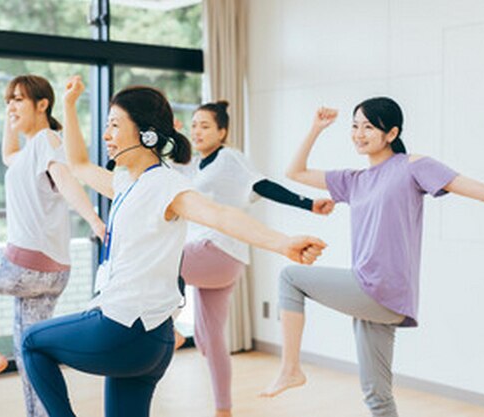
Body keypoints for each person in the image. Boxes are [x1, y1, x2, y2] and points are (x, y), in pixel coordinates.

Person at [20, 76, 327, 417]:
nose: (106, 136)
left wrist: (283, 242)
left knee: (32, 342)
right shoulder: (125, 183)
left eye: (114, 126)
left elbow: (220, 215)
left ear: (146, 134)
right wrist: (70, 104)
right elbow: (77, 164)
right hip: (154, 341)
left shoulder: (165, 185)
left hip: (123, 327)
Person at [261, 97, 484, 417]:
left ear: (391, 133)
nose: (359, 133)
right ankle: (292, 371)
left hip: (381, 287)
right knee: (377, 395)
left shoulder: (414, 166)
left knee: (290, 278)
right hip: (371, 292)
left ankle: (290, 369)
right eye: (355, 126)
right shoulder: (354, 180)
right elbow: (295, 172)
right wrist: (316, 128)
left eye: (369, 126)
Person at [0, 75, 105, 417]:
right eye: (7, 101)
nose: (11, 106)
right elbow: (7, 153)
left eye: (18, 99)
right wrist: (11, 116)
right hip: (52, 274)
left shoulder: (47, 140)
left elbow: (67, 181)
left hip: (25, 267)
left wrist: (94, 220)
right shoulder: (31, 150)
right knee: (30, 353)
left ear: (42, 104)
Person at [174, 100, 335, 417]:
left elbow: (262, 185)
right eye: (194, 125)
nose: (197, 131)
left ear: (223, 131)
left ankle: (169, 330)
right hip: (216, 259)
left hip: (218, 250)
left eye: (205, 125)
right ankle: (224, 410)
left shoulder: (229, 158)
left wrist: (308, 203)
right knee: (210, 340)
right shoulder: (196, 165)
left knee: (160, 260)